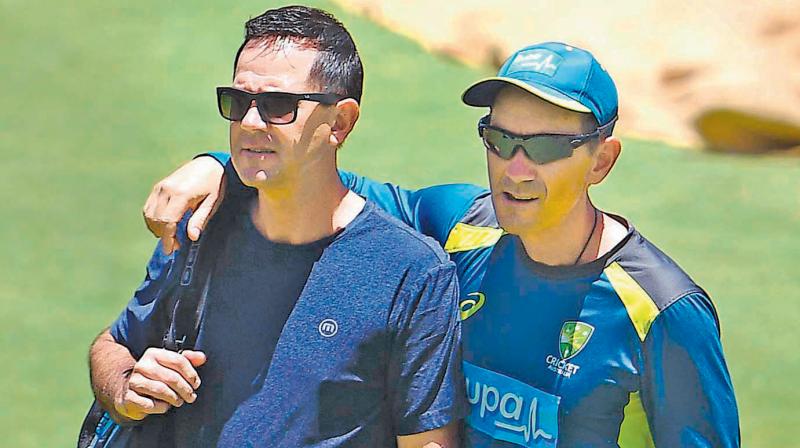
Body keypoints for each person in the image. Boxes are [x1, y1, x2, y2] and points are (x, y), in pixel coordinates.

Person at [145, 42, 741, 446]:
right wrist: (217, 164)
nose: (515, 169)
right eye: (500, 139)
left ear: (601, 160)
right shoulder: (460, 226)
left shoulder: (661, 311)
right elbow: (320, 184)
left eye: (547, 147)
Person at [88, 6, 467, 447]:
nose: (249, 123)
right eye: (237, 102)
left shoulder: (412, 272)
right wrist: (127, 386)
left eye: (277, 105)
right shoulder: (200, 224)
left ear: (340, 123)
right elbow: (114, 343)